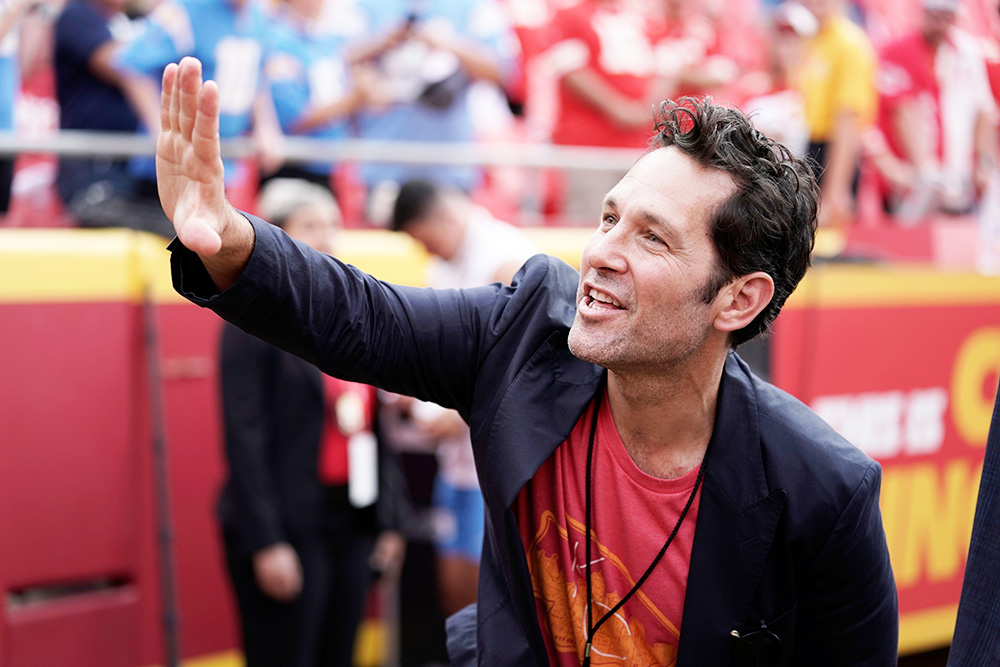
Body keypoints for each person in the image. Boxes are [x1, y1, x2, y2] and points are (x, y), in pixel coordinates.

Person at [161, 57, 898, 666]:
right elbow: (362, 315)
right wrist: (229, 241)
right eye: (610, 217)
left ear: (738, 300)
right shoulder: (523, 332)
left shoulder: (823, 493)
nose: (601, 253)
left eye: (652, 238)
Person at [218, 177, 407, 667]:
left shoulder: (352, 310)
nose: (325, 238)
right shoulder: (250, 320)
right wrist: (267, 542)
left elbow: (372, 423)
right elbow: (244, 438)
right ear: (275, 236)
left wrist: (388, 518)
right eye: (310, 226)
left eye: (332, 225)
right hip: (287, 523)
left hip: (350, 519)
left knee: (339, 652)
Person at [388, 179, 538, 617]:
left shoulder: (506, 258)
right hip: (458, 460)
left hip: (495, 467)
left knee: (485, 602)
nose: (426, 251)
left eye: (423, 239)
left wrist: (450, 415)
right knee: (454, 595)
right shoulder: (446, 266)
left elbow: (523, 373)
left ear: (445, 218)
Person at [53, 0, 175, 236]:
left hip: (132, 166)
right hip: (92, 166)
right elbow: (122, 64)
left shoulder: (131, 23)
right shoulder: (77, 14)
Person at [869, 0, 999, 220]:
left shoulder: (967, 52)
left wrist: (984, 163)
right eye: (935, 17)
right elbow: (902, 110)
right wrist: (924, 171)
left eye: (946, 18)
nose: (940, 25)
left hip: (957, 177)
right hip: (913, 178)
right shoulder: (900, 50)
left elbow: (983, 110)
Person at [797, 0, 877, 226]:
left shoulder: (850, 44)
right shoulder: (804, 36)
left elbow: (847, 120)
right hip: (802, 146)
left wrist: (835, 190)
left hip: (828, 151)